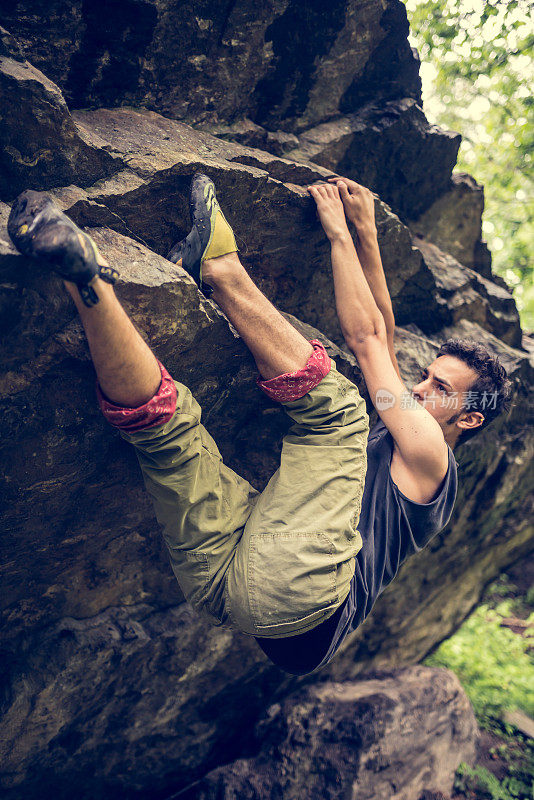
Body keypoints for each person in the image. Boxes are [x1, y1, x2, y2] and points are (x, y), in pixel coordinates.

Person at [7, 173, 512, 673]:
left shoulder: (432, 458)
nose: (420, 389)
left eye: (441, 389)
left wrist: (338, 233)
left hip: (308, 589)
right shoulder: (414, 435)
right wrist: (367, 235)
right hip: (241, 596)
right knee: (166, 433)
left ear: (468, 419)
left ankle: (221, 268)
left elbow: (371, 342)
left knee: (338, 416)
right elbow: (386, 332)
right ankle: (86, 280)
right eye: (428, 376)